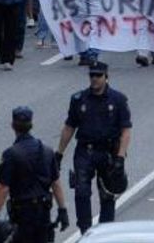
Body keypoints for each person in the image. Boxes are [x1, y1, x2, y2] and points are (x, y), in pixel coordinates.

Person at [56, 62, 132, 234]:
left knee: (107, 194)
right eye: (92, 75)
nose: (95, 79)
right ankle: (85, 230)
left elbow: (125, 131)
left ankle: (105, 232)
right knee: (81, 191)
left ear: (106, 77)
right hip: (85, 151)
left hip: (109, 152)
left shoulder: (118, 100)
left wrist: (120, 157)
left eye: (99, 75)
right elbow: (69, 127)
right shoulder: (79, 99)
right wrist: (59, 153)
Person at [0, 107, 69, 243]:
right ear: (31, 125)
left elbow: (3, 188)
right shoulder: (47, 151)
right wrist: (62, 209)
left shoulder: (11, 154)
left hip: (23, 214)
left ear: (13, 126)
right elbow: (56, 183)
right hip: (43, 213)